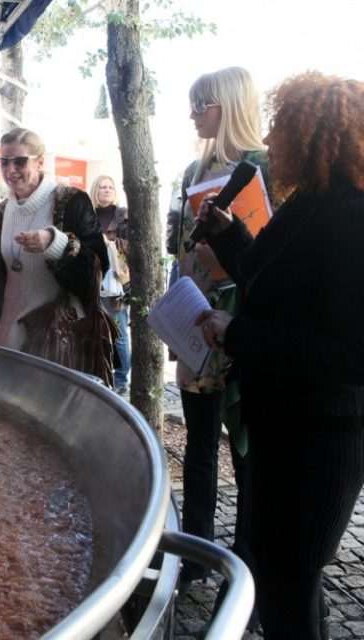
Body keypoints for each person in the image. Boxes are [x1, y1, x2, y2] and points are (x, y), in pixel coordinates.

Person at [196, 71, 364, 640]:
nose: (269, 140)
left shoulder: (352, 218)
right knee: (282, 579)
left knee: (289, 582)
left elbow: (350, 354)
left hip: (321, 440)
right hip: (280, 427)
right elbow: (266, 280)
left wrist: (238, 334)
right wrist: (227, 235)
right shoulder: (309, 203)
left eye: (281, 127)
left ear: (316, 136)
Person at [172, 67, 267, 591]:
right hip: (196, 318)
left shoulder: (264, 169)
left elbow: (275, 257)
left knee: (247, 451)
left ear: (226, 106)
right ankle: (195, 554)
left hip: (245, 325)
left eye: (200, 104)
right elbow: (182, 247)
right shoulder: (193, 170)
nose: (192, 114)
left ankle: (246, 564)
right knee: (199, 444)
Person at [0, 128, 113, 384]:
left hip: (58, 344)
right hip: (7, 336)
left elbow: (97, 269)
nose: (10, 170)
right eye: (4, 161)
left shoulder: (71, 202)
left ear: (39, 162)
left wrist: (56, 243)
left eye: (19, 161)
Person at [89, 175, 130, 392]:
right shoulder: (88, 215)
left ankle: (121, 379)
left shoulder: (123, 215)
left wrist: (110, 244)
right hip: (93, 280)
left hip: (116, 282)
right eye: (102, 187)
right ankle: (100, 375)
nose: (106, 190)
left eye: (110, 187)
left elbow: (132, 246)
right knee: (95, 332)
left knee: (119, 334)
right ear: (95, 190)